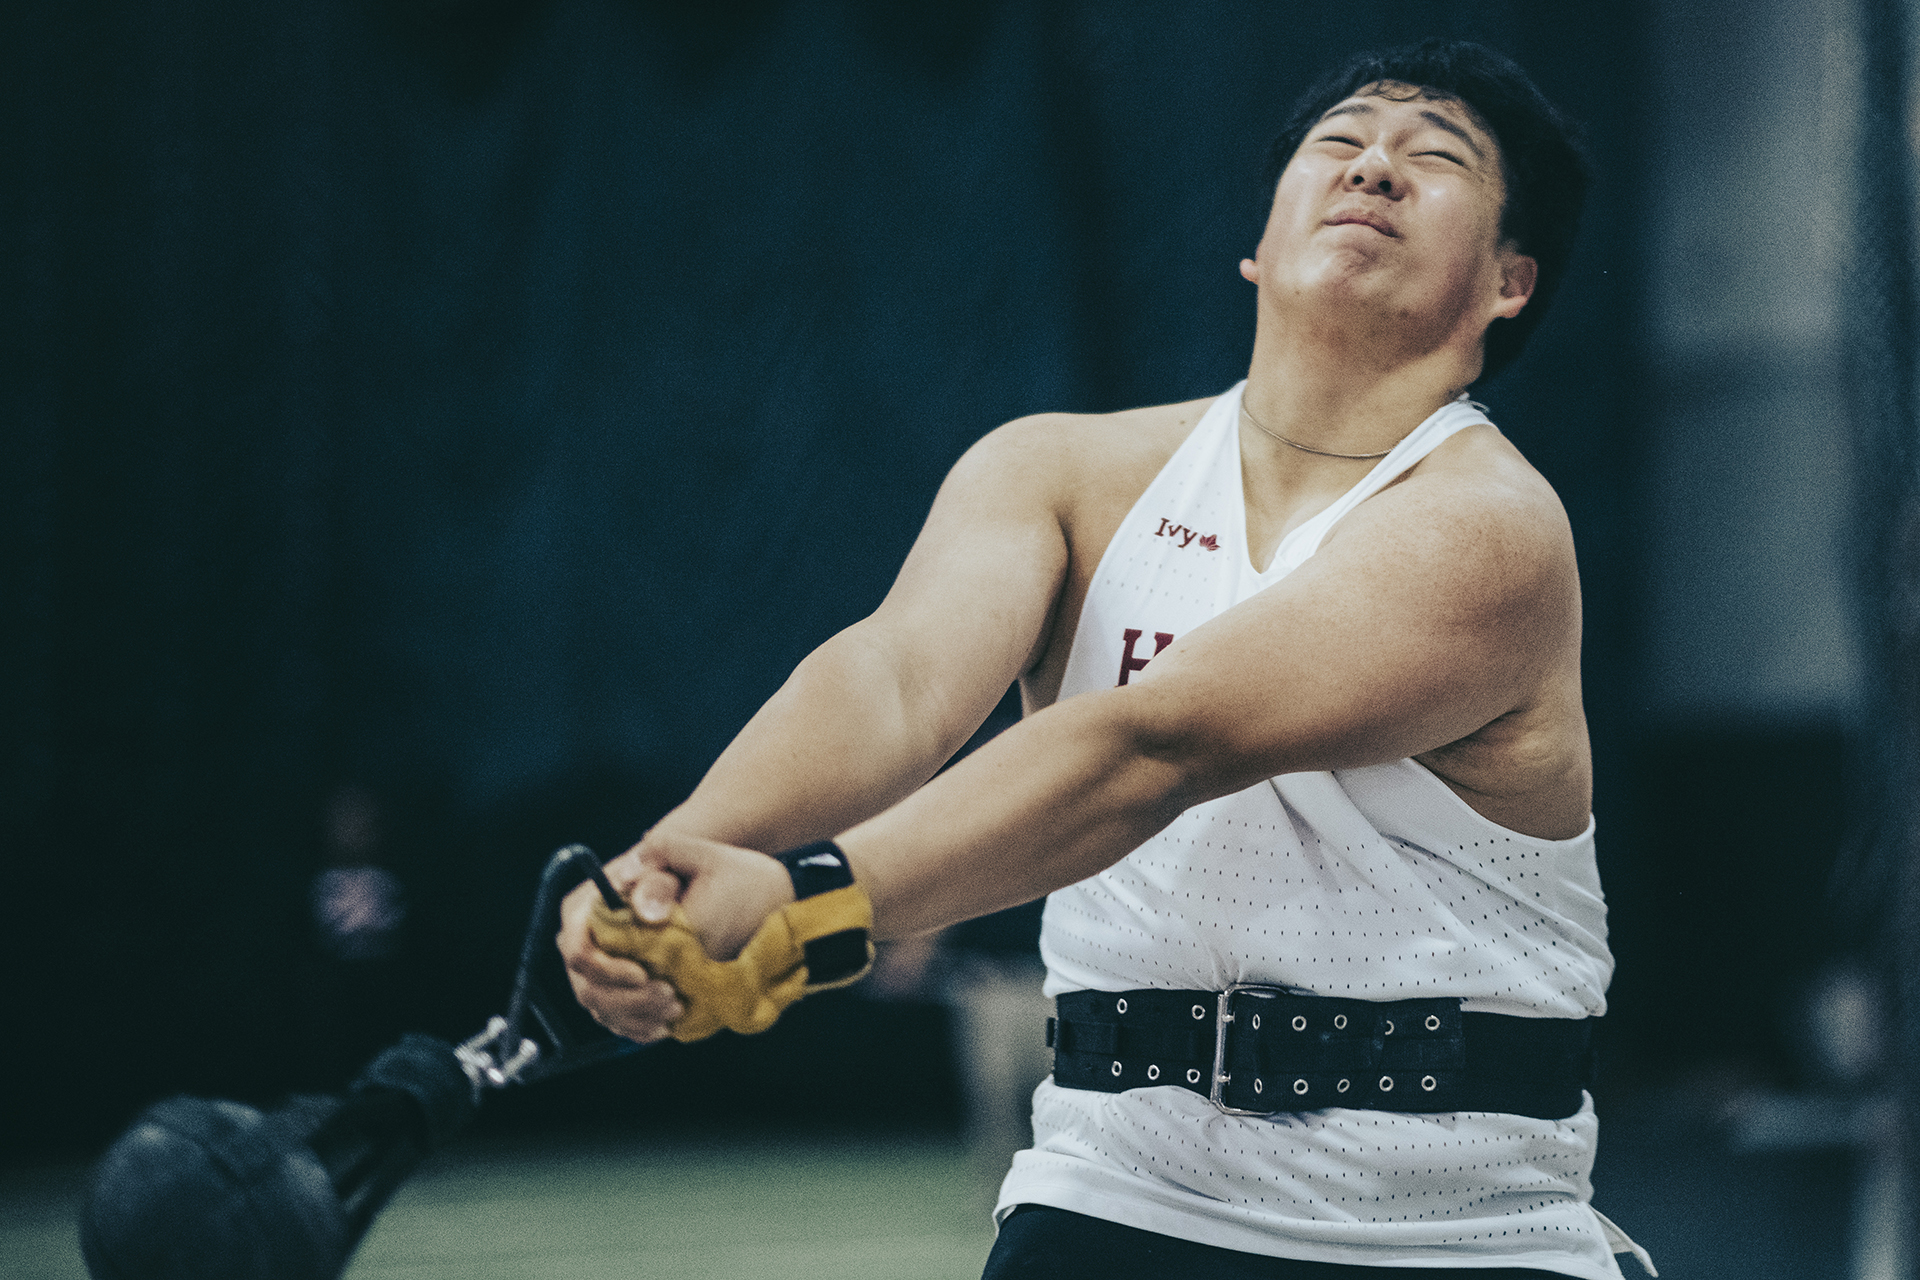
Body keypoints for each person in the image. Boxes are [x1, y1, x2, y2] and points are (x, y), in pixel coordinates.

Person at [559, 38, 1653, 1280]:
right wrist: (673, 865)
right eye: (1340, 143)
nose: (1377, 168)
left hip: (1447, 1236)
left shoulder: (1491, 527)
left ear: (1512, 281)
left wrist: (808, 911)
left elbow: (1159, 741)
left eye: (1437, 157)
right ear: (1257, 242)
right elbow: (897, 680)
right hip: (1113, 1198)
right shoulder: (1060, 473)